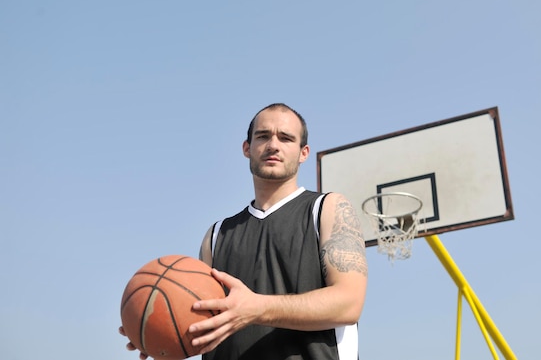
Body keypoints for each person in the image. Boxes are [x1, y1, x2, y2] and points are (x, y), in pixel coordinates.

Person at [121, 103, 368, 360]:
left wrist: (256, 308)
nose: (273, 145)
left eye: (285, 138)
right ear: (247, 148)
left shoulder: (327, 208)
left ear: (303, 152)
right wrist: (152, 326)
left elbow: (349, 303)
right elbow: (202, 321)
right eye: (263, 136)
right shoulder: (217, 235)